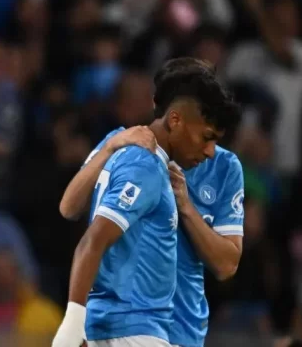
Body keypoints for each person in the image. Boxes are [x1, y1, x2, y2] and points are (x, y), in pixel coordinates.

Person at [52, 58, 240, 347]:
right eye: (206, 137)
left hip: (177, 327)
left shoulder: (224, 167)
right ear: (173, 116)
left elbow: (227, 265)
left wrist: (186, 208)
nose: (210, 151)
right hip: (134, 325)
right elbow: (71, 209)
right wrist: (109, 147)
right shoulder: (132, 151)